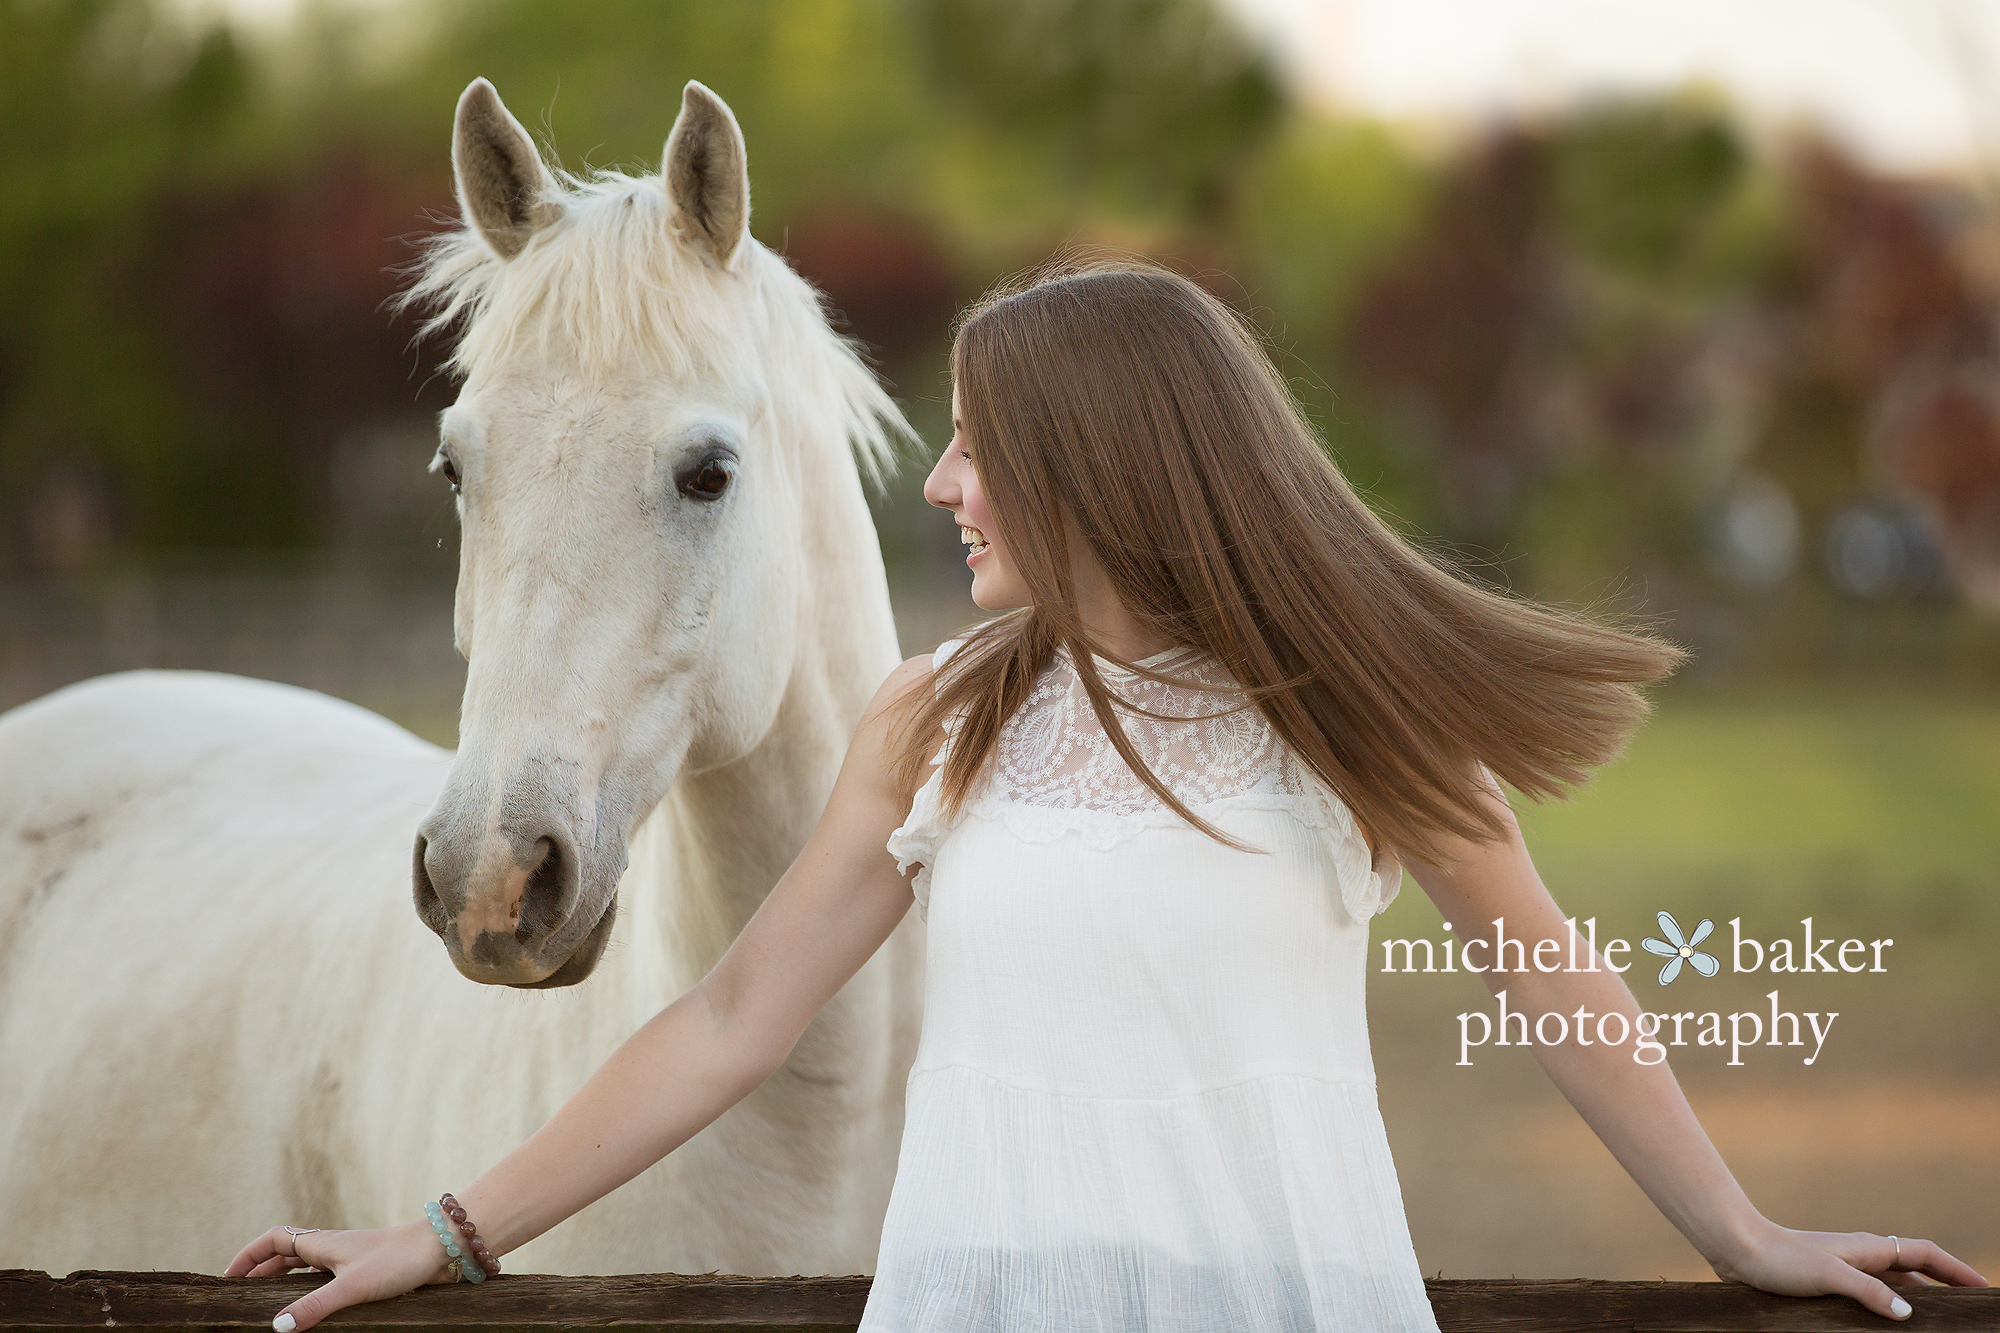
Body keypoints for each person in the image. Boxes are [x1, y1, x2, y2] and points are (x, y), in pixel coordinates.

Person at [228, 259, 1985, 1331]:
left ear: (1107, 467)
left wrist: (1745, 1232)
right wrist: (446, 1231)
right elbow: (731, 1016)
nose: (945, 484)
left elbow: (1554, 980)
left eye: (984, 444)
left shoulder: (1356, 726)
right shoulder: (934, 719)